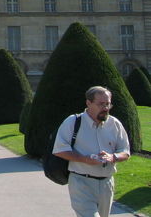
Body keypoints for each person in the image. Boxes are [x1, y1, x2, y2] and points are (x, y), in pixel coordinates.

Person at [52, 86, 130, 217]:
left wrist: (113, 157)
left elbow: (125, 152)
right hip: (81, 182)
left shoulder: (114, 124)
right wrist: (85, 159)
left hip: (107, 183)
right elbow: (59, 150)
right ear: (88, 103)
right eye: (101, 104)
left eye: (108, 104)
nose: (105, 108)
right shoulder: (73, 122)